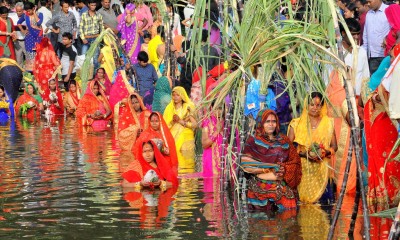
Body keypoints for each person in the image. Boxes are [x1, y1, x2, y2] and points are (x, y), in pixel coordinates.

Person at [364, 45, 400, 213]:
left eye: (393, 58)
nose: (392, 61)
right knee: (387, 163)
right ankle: (387, 201)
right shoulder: (390, 75)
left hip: (390, 123)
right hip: (384, 124)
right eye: (391, 58)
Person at [242, 110, 302, 210]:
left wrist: (284, 169)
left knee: (287, 195)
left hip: (281, 178)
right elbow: (246, 164)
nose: (271, 124)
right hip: (258, 179)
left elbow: (295, 161)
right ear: (261, 123)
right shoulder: (253, 140)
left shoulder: (284, 140)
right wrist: (267, 170)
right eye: (267, 121)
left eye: (273, 121)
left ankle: (287, 223)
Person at [288, 92, 337, 204]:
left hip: (323, 171)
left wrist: (325, 152)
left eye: (318, 105)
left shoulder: (329, 123)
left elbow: (335, 146)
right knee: (303, 207)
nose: (315, 108)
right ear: (306, 105)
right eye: (312, 105)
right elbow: (288, 148)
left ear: (322, 106)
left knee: (324, 208)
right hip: (303, 171)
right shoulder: (296, 124)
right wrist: (304, 154)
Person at [163, 86, 197, 172]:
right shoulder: (169, 108)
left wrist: (181, 122)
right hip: (173, 138)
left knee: (188, 162)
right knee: (176, 162)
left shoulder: (188, 107)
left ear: (182, 96)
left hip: (186, 138)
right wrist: (173, 122)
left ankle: (188, 182)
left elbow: (195, 125)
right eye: (173, 95)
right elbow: (165, 126)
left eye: (177, 95)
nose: (175, 97)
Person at [362, 0, 390, 74]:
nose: (368, 4)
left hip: (386, 56)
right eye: (367, 2)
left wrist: (387, 38)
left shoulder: (389, 10)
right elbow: (365, 35)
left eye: (369, 2)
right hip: (372, 57)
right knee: (373, 82)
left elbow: (396, 30)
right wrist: (365, 54)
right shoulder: (368, 14)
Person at [201, 104, 224, 177]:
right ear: (212, 108)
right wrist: (217, 132)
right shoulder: (207, 122)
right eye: (216, 108)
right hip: (211, 163)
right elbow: (204, 144)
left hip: (225, 162)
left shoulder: (228, 123)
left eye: (220, 108)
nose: (219, 111)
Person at [8, 2, 25, 66]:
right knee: (18, 57)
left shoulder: (26, 17)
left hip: (25, 40)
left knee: (28, 56)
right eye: (17, 11)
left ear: (23, 10)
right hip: (17, 41)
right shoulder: (12, 17)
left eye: (20, 11)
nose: (18, 12)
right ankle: (20, 71)